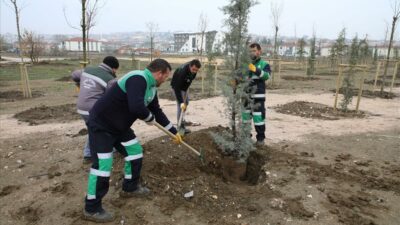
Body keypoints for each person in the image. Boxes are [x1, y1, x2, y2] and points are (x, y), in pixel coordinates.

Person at [83, 59, 182, 223]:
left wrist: (173, 132)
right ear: (159, 73)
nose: (165, 80)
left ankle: (130, 187)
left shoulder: (151, 88)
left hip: (119, 128)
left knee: (135, 152)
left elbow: (156, 111)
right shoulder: (137, 78)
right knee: (103, 165)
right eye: (166, 76)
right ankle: (91, 208)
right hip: (102, 125)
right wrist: (148, 117)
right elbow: (136, 107)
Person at [71, 56, 121, 163]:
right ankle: (91, 154)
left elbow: (74, 74)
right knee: (106, 128)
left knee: (93, 129)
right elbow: (113, 98)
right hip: (94, 110)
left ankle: (89, 154)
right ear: (114, 68)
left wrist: (78, 83)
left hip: (81, 107)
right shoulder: (110, 79)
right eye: (116, 70)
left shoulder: (87, 70)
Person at [242, 43, 271, 146]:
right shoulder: (246, 65)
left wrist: (255, 70)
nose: (252, 53)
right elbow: (241, 78)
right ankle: (245, 138)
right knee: (245, 118)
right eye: (250, 51)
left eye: (254, 50)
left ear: (259, 51)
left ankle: (260, 139)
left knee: (258, 119)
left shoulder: (264, 64)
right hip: (246, 97)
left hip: (258, 97)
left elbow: (266, 76)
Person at [170, 59, 201, 134]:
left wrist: (186, 87)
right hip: (177, 87)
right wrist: (181, 102)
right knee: (181, 106)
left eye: (196, 70)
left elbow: (190, 79)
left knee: (186, 102)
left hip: (184, 87)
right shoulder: (182, 72)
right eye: (193, 69)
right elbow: (177, 88)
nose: (194, 72)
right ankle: (180, 128)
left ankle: (182, 120)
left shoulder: (193, 70)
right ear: (190, 66)